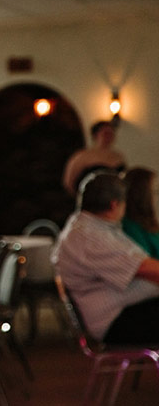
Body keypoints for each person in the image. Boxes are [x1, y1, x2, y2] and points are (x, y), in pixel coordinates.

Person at [52, 171, 159, 344]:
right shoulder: (90, 237)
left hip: (129, 310)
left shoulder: (91, 227)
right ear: (114, 205)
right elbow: (146, 268)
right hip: (116, 321)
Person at [62, 120, 126, 195]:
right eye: (106, 133)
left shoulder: (118, 156)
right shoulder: (82, 156)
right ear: (96, 135)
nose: (109, 136)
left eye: (111, 133)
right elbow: (68, 182)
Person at [122, 167, 159, 258]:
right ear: (142, 195)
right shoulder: (130, 227)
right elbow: (144, 261)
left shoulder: (149, 223)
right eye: (156, 192)